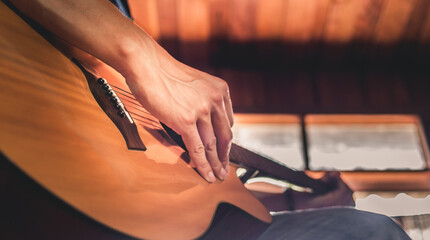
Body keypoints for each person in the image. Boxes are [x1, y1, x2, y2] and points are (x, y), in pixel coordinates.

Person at [6, 0, 411, 239]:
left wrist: (294, 200)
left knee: (364, 230)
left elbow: (184, 195)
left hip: (137, 215)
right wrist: (148, 58)